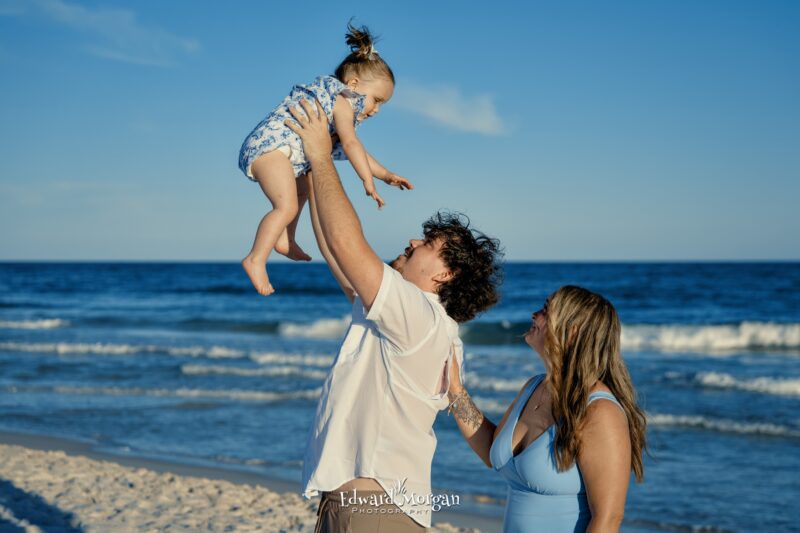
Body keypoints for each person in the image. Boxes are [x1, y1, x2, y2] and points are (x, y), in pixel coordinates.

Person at [284, 98, 503, 531]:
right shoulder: (409, 318)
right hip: (367, 504)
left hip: (376, 508)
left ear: (445, 274)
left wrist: (322, 156)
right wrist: (311, 172)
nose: (413, 242)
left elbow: (349, 245)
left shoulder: (419, 316)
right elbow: (338, 253)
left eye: (427, 243)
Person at [446, 286, 647, 533]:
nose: (534, 315)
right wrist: (455, 390)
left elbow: (608, 518)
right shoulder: (534, 387)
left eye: (546, 310)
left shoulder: (600, 412)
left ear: (572, 331)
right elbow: (490, 450)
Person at [237, 21, 411, 296]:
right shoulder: (341, 101)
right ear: (353, 84)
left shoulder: (336, 106)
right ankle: (255, 259)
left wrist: (385, 174)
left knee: (303, 190)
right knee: (285, 206)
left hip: (283, 153)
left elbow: (357, 150)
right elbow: (351, 144)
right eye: (376, 100)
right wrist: (367, 181)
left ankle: (286, 238)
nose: (377, 109)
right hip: (271, 149)